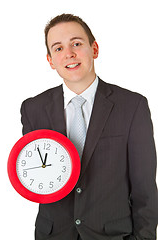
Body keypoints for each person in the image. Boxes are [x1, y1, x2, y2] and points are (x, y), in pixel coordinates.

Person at [21, 14, 158, 240]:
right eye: (58, 48)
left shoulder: (132, 106)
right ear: (50, 60)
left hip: (113, 235)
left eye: (76, 43)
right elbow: (37, 175)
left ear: (94, 49)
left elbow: (145, 189)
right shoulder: (33, 108)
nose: (69, 54)